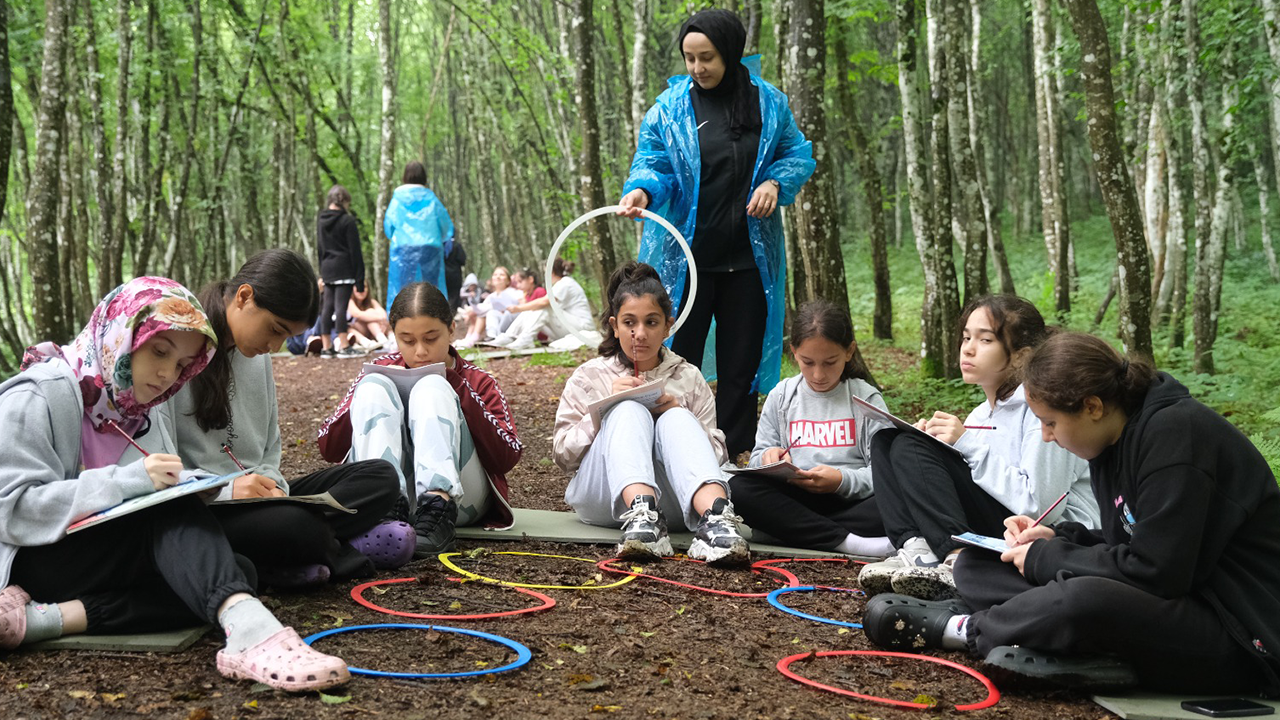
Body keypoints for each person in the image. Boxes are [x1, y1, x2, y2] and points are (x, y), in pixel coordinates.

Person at [862, 332, 1280, 695]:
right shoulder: (1111, 440)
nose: (1046, 436)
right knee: (977, 562)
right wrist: (1059, 539)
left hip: (1237, 631)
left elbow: (1159, 572)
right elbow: (1131, 542)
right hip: (1171, 596)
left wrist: (1050, 558)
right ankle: (1051, 635)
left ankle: (966, 630)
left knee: (1084, 599)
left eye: (1049, 422)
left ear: (1093, 406)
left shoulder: (1176, 439)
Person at [0, 277, 348, 691]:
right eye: (158, 352)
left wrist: (192, 485)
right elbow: (13, 510)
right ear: (121, 334)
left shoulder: (136, 409)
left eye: (182, 365)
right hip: (32, 558)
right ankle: (253, 635)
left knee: (238, 571)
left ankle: (43, 620)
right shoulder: (39, 394)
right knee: (172, 514)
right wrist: (129, 483)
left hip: (95, 558)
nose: (167, 374)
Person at [617, 8, 815, 458]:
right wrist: (643, 191)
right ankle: (673, 450)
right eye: (689, 58)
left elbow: (796, 152)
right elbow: (653, 162)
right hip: (685, 260)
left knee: (740, 366)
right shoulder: (670, 109)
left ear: (729, 52)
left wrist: (775, 181)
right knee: (674, 359)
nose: (697, 68)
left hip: (748, 260)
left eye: (706, 57)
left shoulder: (768, 102)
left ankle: (735, 456)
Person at [154, 249, 410, 590]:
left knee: (381, 477)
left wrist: (274, 485)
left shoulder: (256, 358)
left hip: (264, 502)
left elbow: (270, 450)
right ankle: (335, 549)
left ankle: (299, 556)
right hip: (202, 507)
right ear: (244, 297)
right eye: (274, 330)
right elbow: (158, 473)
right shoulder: (177, 352)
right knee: (298, 528)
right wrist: (227, 490)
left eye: (286, 337)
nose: (274, 346)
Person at [857, 295, 1098, 601]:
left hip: (1043, 533)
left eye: (985, 340)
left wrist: (964, 444)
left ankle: (955, 559)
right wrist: (932, 449)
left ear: (1020, 356)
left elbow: (1039, 507)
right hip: (997, 519)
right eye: (966, 337)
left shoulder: (1043, 411)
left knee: (910, 445)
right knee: (887, 440)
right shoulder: (980, 414)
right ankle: (916, 549)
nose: (968, 348)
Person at [553, 261, 749, 565]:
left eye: (651, 322)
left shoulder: (690, 377)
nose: (639, 334)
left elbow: (718, 457)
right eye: (630, 323)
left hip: (675, 503)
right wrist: (604, 409)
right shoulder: (588, 376)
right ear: (614, 326)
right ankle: (642, 516)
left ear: (668, 326)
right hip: (603, 496)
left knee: (676, 416)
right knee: (627, 407)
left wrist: (680, 415)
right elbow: (563, 456)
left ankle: (716, 522)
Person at [318, 282, 522, 556]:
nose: (420, 352)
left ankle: (437, 507)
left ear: (451, 330)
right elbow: (329, 447)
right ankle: (383, 511)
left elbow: (506, 457)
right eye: (408, 340)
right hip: (385, 499)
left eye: (431, 338)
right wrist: (366, 389)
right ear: (394, 335)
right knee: (374, 386)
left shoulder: (478, 380)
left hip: (460, 503)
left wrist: (454, 384)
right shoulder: (379, 369)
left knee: (432, 387)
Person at [729, 300, 894, 557]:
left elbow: (883, 475)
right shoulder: (782, 395)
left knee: (897, 503)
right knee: (738, 489)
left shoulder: (866, 399)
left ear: (849, 352)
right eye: (808, 362)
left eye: (830, 362)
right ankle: (849, 542)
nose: (818, 374)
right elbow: (757, 461)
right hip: (795, 497)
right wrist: (768, 457)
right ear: (794, 352)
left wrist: (841, 481)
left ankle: (788, 530)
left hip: (850, 502)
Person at [384, 161, 454, 307]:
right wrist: (443, 238)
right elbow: (446, 225)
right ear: (424, 177)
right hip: (430, 247)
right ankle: (434, 320)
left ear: (405, 176)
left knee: (403, 290)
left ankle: (404, 322)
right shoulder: (432, 198)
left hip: (403, 249)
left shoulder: (397, 199)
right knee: (432, 290)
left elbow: (389, 226)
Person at [488, 259, 594, 350]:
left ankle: (525, 339)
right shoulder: (559, 284)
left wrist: (518, 308)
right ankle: (510, 336)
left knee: (545, 307)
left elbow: (544, 302)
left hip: (582, 327)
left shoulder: (566, 283)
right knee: (533, 308)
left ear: (551, 273)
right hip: (569, 327)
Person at [316, 184, 366, 359]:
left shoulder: (321, 219)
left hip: (328, 268)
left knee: (327, 308)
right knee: (341, 308)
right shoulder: (348, 221)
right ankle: (344, 346)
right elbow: (355, 251)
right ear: (344, 201)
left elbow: (320, 247)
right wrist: (360, 279)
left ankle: (326, 347)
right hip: (344, 268)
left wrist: (321, 270)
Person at [458, 267, 523, 348]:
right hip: (499, 323)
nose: (498, 277)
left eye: (501, 275)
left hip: (511, 321)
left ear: (508, 280)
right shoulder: (491, 296)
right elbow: (482, 309)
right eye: (495, 275)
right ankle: (489, 336)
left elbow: (522, 307)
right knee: (489, 313)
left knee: (490, 312)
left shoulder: (516, 293)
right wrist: (472, 308)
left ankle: (473, 338)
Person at [348, 282, 390, 349]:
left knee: (370, 313)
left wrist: (379, 320)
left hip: (372, 331)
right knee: (349, 328)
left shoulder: (372, 301)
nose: (361, 290)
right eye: (358, 287)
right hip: (357, 333)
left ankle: (383, 340)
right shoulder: (349, 302)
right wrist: (377, 318)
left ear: (368, 289)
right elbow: (357, 314)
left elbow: (384, 315)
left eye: (364, 287)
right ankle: (367, 343)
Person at [444, 239, 467, 312]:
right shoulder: (456, 245)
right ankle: (451, 315)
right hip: (455, 275)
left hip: (443, 275)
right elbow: (462, 260)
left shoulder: (440, 245)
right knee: (454, 297)